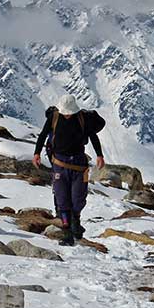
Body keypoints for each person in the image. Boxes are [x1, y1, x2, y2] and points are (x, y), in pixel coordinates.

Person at [33, 95, 106, 246]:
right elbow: (42, 135)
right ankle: (67, 232)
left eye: (69, 112)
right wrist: (36, 153)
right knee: (62, 198)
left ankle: (75, 221)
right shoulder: (54, 117)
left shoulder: (82, 118)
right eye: (65, 112)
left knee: (78, 198)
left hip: (78, 164)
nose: (66, 114)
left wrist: (99, 155)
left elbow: (93, 136)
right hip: (60, 163)